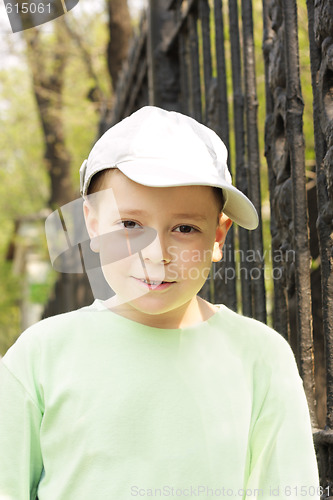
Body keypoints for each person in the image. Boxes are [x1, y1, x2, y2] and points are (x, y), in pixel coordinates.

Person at [0, 106, 320, 499]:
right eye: (130, 224)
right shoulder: (40, 356)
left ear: (218, 237)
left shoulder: (260, 356)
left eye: (185, 228)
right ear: (93, 225)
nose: (155, 253)